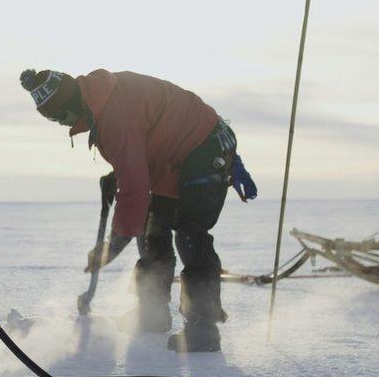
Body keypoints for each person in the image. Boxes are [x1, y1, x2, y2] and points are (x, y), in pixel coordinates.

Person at [20, 68, 255, 352]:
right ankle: (152, 312)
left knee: (190, 232)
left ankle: (203, 326)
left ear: (70, 102)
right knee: (152, 227)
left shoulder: (112, 115)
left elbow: (135, 190)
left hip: (204, 149)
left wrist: (110, 249)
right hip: (174, 158)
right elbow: (137, 161)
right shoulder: (101, 97)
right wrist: (117, 176)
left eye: (59, 117)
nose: (60, 124)